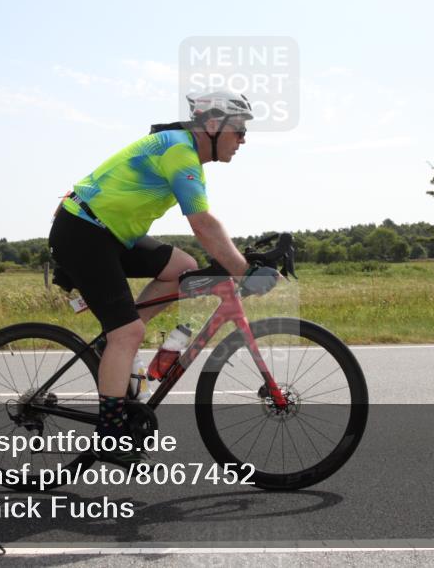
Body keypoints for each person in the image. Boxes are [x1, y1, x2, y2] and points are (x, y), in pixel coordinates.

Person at [48, 91, 281, 463]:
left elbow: (208, 229)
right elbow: (203, 224)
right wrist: (244, 271)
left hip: (107, 233)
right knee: (128, 333)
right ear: (211, 124)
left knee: (183, 269)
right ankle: (111, 435)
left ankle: (114, 345)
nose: (243, 139)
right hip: (83, 232)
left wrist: (236, 262)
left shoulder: (183, 153)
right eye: (238, 130)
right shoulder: (179, 150)